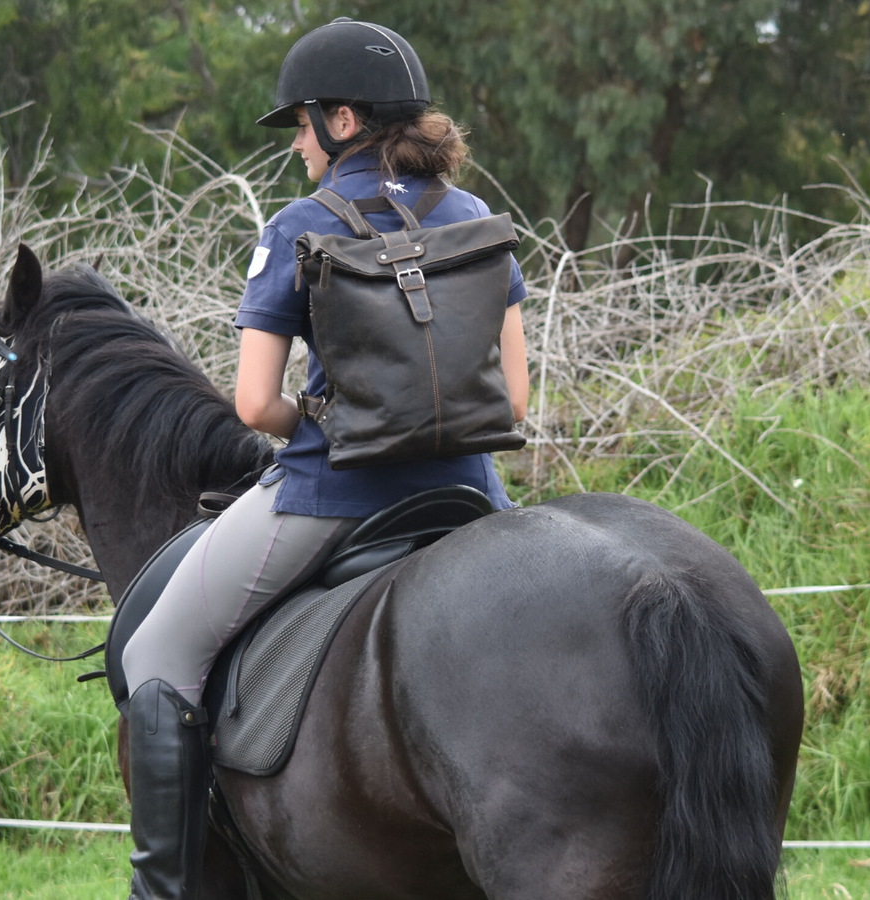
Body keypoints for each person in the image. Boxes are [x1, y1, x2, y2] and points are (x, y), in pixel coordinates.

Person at [116, 18, 530, 900]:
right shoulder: (479, 222)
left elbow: (255, 404)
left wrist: (333, 413)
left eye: (300, 123)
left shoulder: (299, 226)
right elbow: (515, 403)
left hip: (329, 499)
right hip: (468, 493)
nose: (296, 142)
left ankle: (164, 889)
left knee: (158, 652)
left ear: (343, 119)